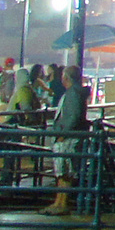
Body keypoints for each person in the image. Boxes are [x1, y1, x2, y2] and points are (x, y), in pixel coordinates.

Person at [42, 67, 88, 216]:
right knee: (64, 172)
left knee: (64, 171)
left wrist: (62, 134)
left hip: (67, 138)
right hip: (69, 136)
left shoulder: (73, 93)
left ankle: (61, 203)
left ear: (66, 78)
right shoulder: (76, 92)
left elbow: (73, 116)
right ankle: (59, 202)